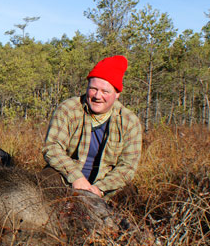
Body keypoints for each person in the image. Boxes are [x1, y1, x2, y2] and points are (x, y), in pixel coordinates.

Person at [41, 55, 142, 198]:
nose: (97, 96)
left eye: (105, 91)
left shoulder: (129, 122)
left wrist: (100, 189)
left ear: (117, 93)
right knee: (43, 182)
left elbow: (127, 167)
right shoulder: (68, 109)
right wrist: (76, 177)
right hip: (67, 177)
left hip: (105, 184)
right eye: (93, 89)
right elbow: (52, 147)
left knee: (129, 194)